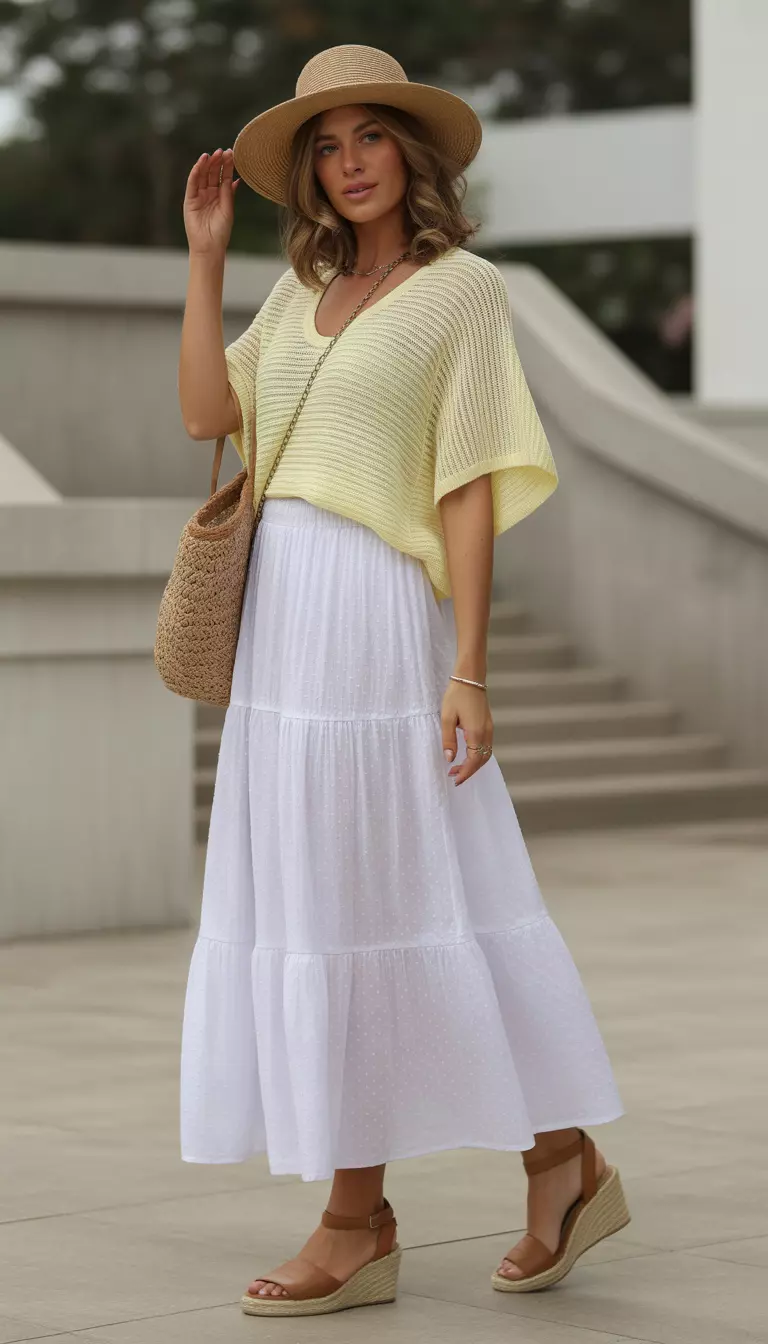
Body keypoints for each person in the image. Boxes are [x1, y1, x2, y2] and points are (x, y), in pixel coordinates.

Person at [177, 43, 628, 1320]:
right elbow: (207, 415)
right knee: (361, 900)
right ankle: (559, 1160)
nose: (351, 161)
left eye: (371, 135)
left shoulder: (461, 292)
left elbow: (470, 481)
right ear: (310, 173)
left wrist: (469, 670)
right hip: (279, 628)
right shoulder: (295, 292)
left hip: (374, 620)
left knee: (377, 902)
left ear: (410, 154)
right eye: (327, 144)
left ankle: (355, 1218)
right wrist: (209, 261)